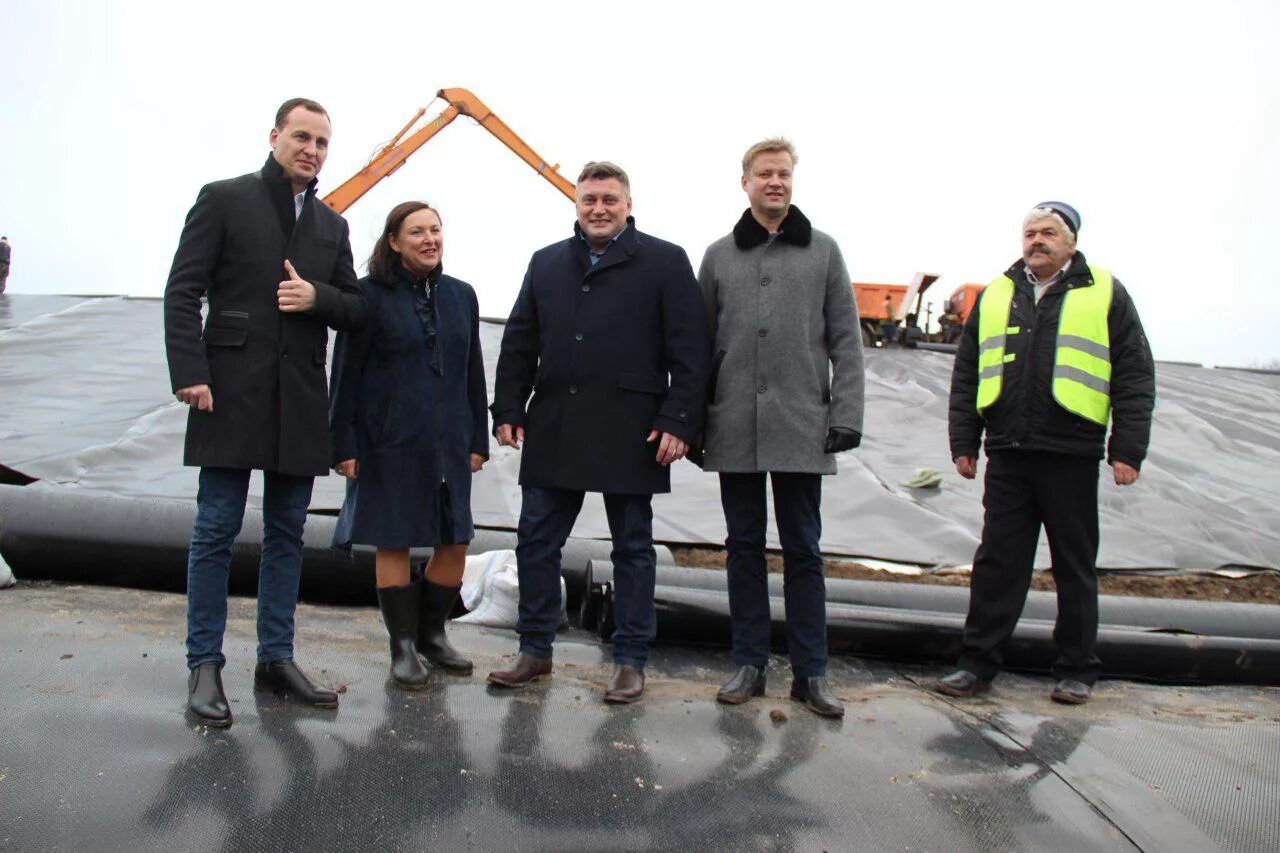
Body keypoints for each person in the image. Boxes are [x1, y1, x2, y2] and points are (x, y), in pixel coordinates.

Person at [164, 98, 366, 727]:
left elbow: (357, 308)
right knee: (215, 530)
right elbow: (183, 289)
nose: (312, 149)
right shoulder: (224, 199)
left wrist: (318, 296)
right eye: (301, 137)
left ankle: (276, 659)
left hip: (300, 398)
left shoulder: (332, 225)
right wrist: (190, 372)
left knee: (286, 535)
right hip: (228, 389)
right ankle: (205, 665)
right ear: (275, 136)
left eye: (323, 142)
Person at [487, 161, 709, 703]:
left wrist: (677, 419)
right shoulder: (546, 263)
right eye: (589, 199)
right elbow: (519, 340)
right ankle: (535, 649)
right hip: (557, 420)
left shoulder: (664, 260)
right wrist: (508, 407)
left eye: (610, 199)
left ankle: (630, 659)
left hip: (633, 427)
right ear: (577, 205)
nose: (599, 208)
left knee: (633, 547)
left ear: (628, 205)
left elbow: (692, 349)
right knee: (536, 541)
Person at [938, 201, 1155, 705]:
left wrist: (1127, 448)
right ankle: (976, 665)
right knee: (997, 563)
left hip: (1070, 453)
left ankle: (1076, 669)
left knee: (1073, 566)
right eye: (1030, 233)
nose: (1037, 241)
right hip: (1009, 451)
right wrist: (964, 442)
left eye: (1049, 233)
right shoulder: (997, 294)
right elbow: (967, 372)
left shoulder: (1104, 291)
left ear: (1071, 242)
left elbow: (1135, 373)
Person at [697, 138, 864, 718]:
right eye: (765, 173)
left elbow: (847, 338)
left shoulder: (824, 252)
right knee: (743, 547)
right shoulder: (719, 256)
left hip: (802, 422)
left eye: (784, 174)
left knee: (804, 550)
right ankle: (749, 663)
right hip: (735, 422)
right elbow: (699, 345)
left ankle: (811, 673)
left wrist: (845, 413)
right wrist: (698, 418)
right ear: (744, 182)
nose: (776, 182)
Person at [329, 201, 489, 689]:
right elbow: (346, 373)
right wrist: (344, 442)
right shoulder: (367, 296)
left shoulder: (462, 296)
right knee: (393, 537)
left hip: (449, 442)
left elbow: (473, 374)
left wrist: (477, 438)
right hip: (388, 438)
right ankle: (401, 646)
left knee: (455, 538)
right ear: (394, 241)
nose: (429, 239)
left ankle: (432, 635)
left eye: (436, 230)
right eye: (416, 231)